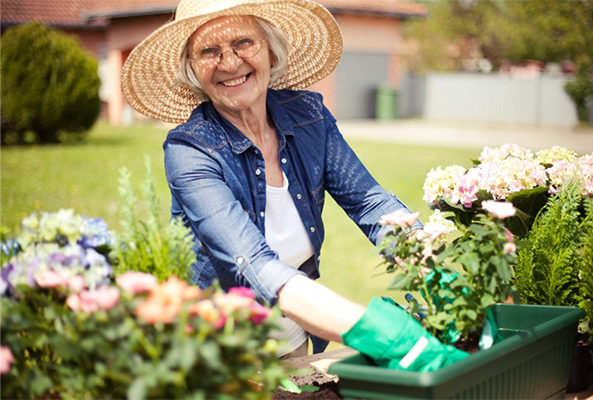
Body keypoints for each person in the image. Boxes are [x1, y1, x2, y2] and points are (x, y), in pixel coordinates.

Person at [121, 0, 467, 369]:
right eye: (209, 51)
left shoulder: (309, 117)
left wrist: (426, 263)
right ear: (193, 69)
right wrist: (380, 331)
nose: (229, 62)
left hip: (291, 338)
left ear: (270, 49)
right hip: (214, 353)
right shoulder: (190, 149)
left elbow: (370, 204)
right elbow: (252, 264)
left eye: (243, 43)